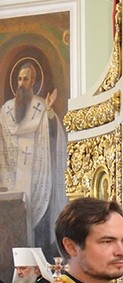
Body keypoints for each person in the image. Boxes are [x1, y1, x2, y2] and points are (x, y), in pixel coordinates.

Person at [0, 60, 69, 261]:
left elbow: (55, 136)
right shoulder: (6, 110)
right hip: (12, 177)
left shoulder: (41, 106)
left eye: (26, 79)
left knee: (40, 224)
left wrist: (50, 112)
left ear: (33, 82)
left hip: (38, 178)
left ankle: (40, 266)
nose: (22, 83)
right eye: (19, 79)